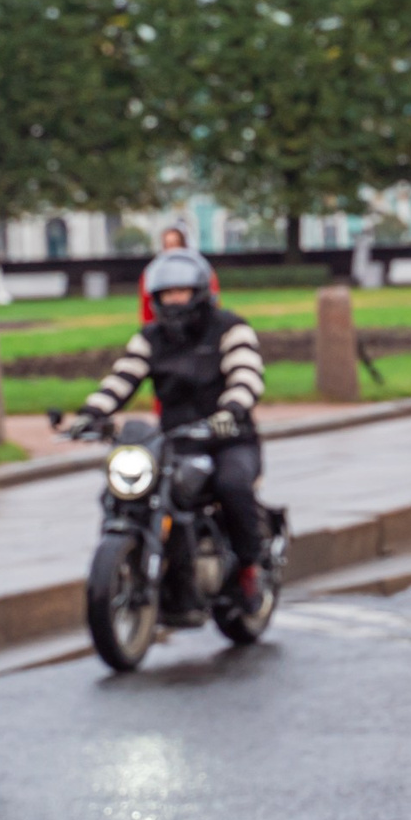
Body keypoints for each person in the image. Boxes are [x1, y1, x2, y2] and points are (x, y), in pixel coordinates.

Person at [68, 250, 270, 619]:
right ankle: (153, 569)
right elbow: (122, 377)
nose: (174, 300)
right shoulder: (150, 338)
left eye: (181, 292)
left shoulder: (230, 327)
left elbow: (246, 374)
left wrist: (232, 411)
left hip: (229, 438)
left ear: (199, 292)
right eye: (166, 294)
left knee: (232, 485)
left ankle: (249, 570)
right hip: (175, 441)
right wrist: (91, 413)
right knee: (128, 491)